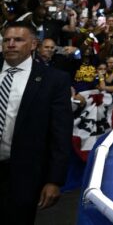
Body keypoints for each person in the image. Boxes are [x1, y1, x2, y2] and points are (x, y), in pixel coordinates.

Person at [0, 23, 72, 224]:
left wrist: (54, 180)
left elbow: (61, 132)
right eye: (6, 40)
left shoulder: (54, 80)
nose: (11, 44)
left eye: (18, 40)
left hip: (23, 175)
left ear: (33, 44)